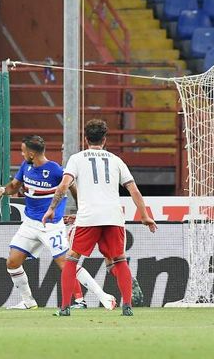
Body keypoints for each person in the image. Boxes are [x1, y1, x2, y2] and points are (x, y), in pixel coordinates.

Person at [42, 119, 157, 316]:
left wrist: (52, 208)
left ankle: (65, 307)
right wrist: (145, 215)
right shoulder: (116, 160)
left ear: (85, 138)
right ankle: (127, 306)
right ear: (105, 139)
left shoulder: (77, 159)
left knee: (71, 260)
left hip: (89, 218)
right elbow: (133, 190)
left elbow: (63, 185)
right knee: (119, 260)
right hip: (113, 216)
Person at [0, 135, 116, 310]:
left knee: (67, 264)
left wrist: (81, 210)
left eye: (23, 151)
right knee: (12, 262)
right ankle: (28, 301)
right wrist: (2, 190)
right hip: (29, 223)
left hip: (51, 226)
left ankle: (104, 296)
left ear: (32, 153)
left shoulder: (55, 170)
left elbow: (72, 186)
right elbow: (14, 186)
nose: (22, 154)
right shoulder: (26, 166)